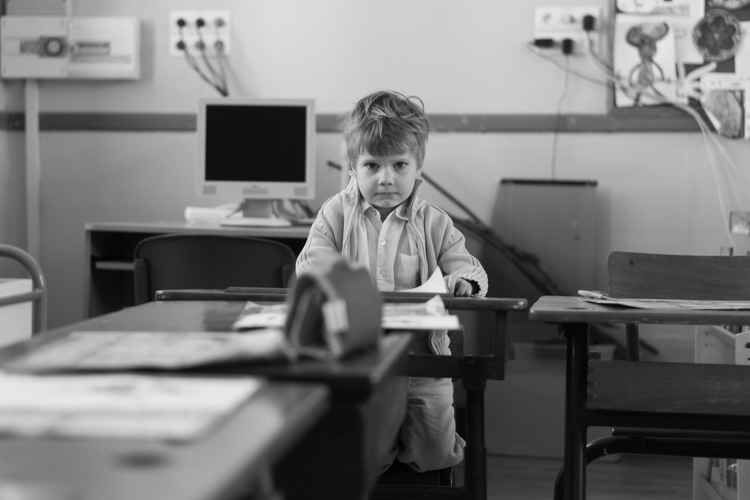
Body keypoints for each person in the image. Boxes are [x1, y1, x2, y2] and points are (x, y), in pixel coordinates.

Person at [296, 89, 488, 473]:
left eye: (399, 165)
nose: (386, 179)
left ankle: (418, 444)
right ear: (353, 168)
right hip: (356, 362)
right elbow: (310, 261)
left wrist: (463, 280)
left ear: (418, 168)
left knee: (435, 452)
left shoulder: (435, 222)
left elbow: (467, 266)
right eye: (372, 166)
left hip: (423, 363)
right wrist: (335, 274)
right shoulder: (336, 212)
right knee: (366, 456)